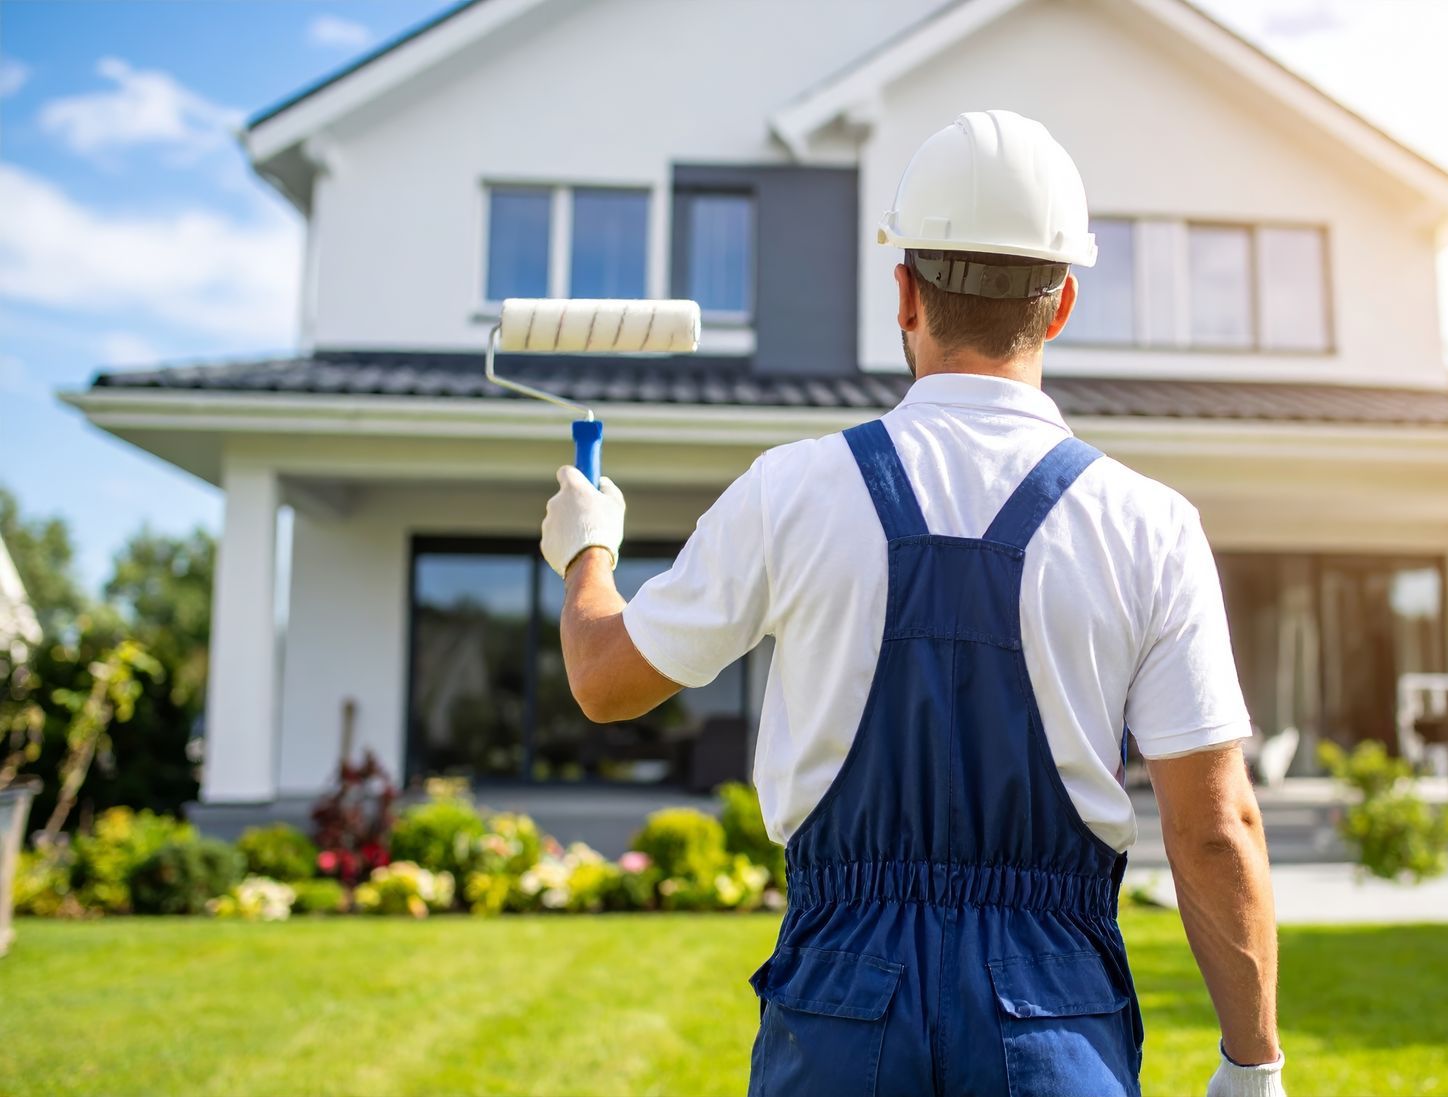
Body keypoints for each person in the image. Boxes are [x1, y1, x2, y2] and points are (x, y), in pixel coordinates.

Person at [542, 110, 1286, 1097]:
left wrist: (586, 546)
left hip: (843, 1008)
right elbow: (1214, 825)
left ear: (905, 293)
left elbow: (603, 679)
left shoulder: (791, 489)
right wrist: (1252, 1064)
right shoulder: (1147, 523)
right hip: (1054, 1019)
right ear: (1061, 303)